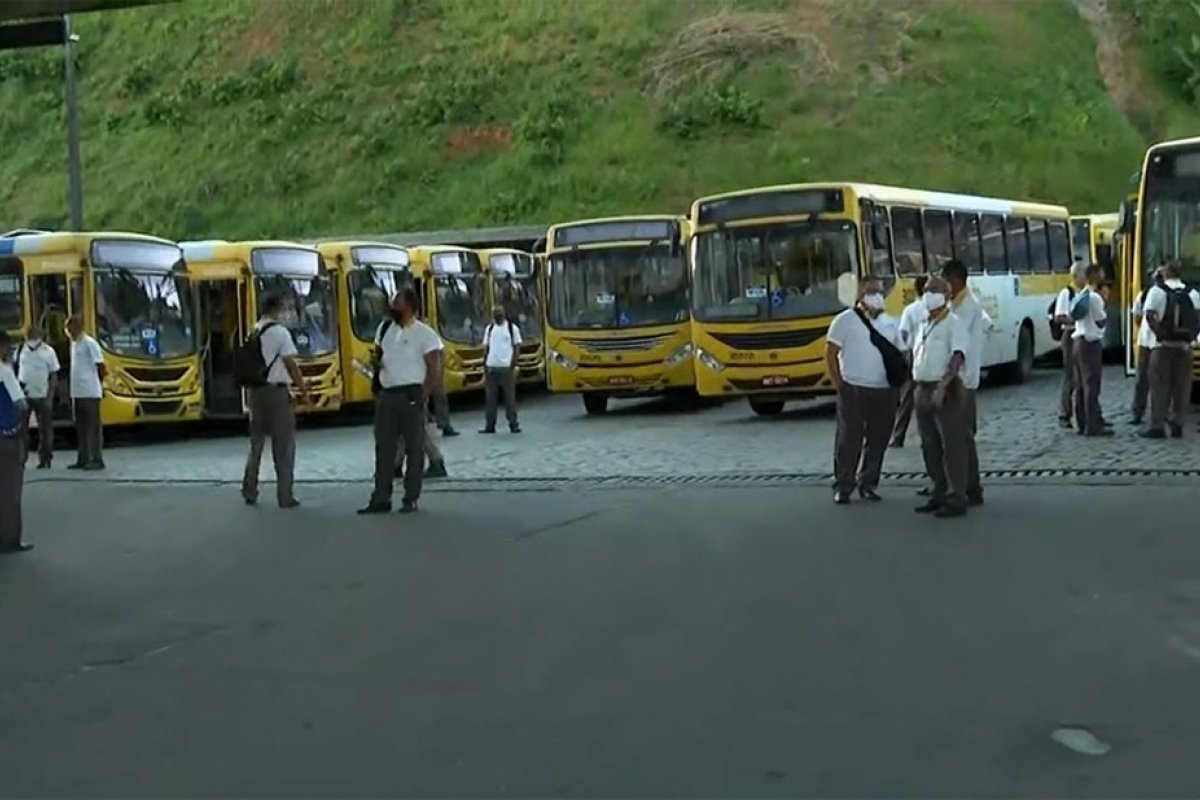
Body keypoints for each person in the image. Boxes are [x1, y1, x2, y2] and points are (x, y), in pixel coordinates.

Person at [360, 286, 443, 514]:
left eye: (397, 301)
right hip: (387, 394)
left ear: (409, 305)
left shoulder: (425, 334)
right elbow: (379, 356)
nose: (392, 305)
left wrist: (422, 396)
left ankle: (410, 497)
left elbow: (434, 369)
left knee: (414, 448)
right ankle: (381, 498)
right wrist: (375, 368)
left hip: (411, 394)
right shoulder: (384, 328)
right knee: (384, 448)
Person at [824, 277, 902, 504]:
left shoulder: (892, 322)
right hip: (854, 387)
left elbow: (903, 350)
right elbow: (830, 353)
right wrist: (840, 384)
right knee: (850, 438)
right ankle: (844, 484)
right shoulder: (845, 320)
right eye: (870, 292)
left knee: (878, 439)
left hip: (884, 389)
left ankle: (868, 482)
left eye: (879, 292)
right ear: (860, 295)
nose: (876, 296)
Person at [241, 293, 310, 508]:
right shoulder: (281, 333)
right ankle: (285, 495)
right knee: (284, 446)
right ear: (277, 309)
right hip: (276, 394)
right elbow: (290, 364)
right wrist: (302, 391)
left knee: (256, 444)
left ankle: (249, 489)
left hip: (255, 393)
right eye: (284, 308)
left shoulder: (254, 329)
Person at [911, 276, 970, 518]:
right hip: (922, 386)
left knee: (951, 444)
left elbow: (957, 357)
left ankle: (957, 496)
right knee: (929, 444)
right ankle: (938, 490)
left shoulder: (954, 323)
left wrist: (943, 386)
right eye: (926, 290)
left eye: (934, 290)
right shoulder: (924, 323)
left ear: (946, 296)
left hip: (945, 388)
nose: (928, 294)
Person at [1140, 262, 1200, 439]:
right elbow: (1197, 319)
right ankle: (1177, 424)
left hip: (1162, 348)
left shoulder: (1157, 291)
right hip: (1184, 348)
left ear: (1165, 274)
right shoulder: (1193, 293)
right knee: (1182, 387)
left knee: (1159, 386)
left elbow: (1150, 315)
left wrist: (1161, 334)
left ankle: (1157, 425)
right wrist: (1189, 337)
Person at [943, 260, 986, 507]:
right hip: (958, 379)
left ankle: (971, 487)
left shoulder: (968, 309)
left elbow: (961, 348)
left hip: (963, 380)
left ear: (956, 280)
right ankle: (962, 485)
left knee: (962, 436)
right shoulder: (956, 305)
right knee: (958, 436)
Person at [1071, 266, 1111, 437]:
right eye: (1101, 274)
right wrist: (1104, 302)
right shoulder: (1095, 297)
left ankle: (1081, 422)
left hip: (1078, 341)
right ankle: (1093, 425)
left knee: (1080, 386)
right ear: (1095, 276)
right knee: (1092, 385)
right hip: (1090, 343)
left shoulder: (1081, 294)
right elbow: (1101, 321)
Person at [0, 331, 30, 553]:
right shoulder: (4, 371)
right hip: (6, 437)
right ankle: (10, 539)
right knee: (10, 490)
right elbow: (20, 404)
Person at [891, 275, 928, 448]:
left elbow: (903, 333)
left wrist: (907, 348)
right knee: (928, 395)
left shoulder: (911, 309)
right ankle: (928, 436)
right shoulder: (937, 308)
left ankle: (898, 437)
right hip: (931, 355)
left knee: (906, 398)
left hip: (912, 354)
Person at [16, 326, 60, 468]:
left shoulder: (49, 352)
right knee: (21, 430)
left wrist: (50, 396)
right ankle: (21, 459)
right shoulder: (21, 349)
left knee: (45, 430)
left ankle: (45, 458)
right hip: (24, 395)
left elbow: (54, 376)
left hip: (42, 395)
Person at [66, 316, 106, 471]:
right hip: (77, 392)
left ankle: (97, 459)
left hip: (90, 392)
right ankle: (83, 458)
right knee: (81, 428)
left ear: (79, 326)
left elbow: (101, 366)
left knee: (93, 427)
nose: (69, 332)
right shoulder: (74, 344)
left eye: (71, 328)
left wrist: (99, 385)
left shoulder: (90, 343)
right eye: (68, 329)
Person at [1053, 264, 1088, 428]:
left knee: (1083, 377)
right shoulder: (1067, 293)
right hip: (1070, 335)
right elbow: (1059, 317)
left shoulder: (1085, 292)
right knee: (1070, 376)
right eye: (1083, 274)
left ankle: (1085, 413)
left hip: (1082, 334)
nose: (1085, 277)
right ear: (1076, 276)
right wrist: (1076, 318)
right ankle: (1064, 414)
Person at [1130, 267, 1164, 425]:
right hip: (1149, 341)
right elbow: (1137, 315)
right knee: (1144, 379)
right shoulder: (1144, 294)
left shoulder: (1152, 294)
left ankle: (1147, 413)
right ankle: (1139, 411)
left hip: (1153, 342)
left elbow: (1138, 318)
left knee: (1150, 380)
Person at [481, 305, 522, 435]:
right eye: (495, 313)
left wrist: (512, 365)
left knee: (509, 398)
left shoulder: (512, 328)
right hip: (491, 368)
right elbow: (486, 348)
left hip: (506, 368)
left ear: (504, 314)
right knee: (490, 398)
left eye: (499, 313)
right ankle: (490, 425)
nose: (497, 315)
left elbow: (517, 348)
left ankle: (513, 424)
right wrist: (485, 365)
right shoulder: (489, 329)